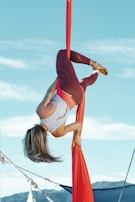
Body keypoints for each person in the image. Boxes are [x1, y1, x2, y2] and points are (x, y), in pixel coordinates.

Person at [23, 49, 108, 163]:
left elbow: (78, 125)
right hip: (68, 88)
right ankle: (93, 63)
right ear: (32, 131)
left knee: (84, 83)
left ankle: (96, 72)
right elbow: (50, 91)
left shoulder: (58, 133)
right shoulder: (41, 112)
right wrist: (59, 76)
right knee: (62, 53)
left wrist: (77, 137)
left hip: (77, 98)